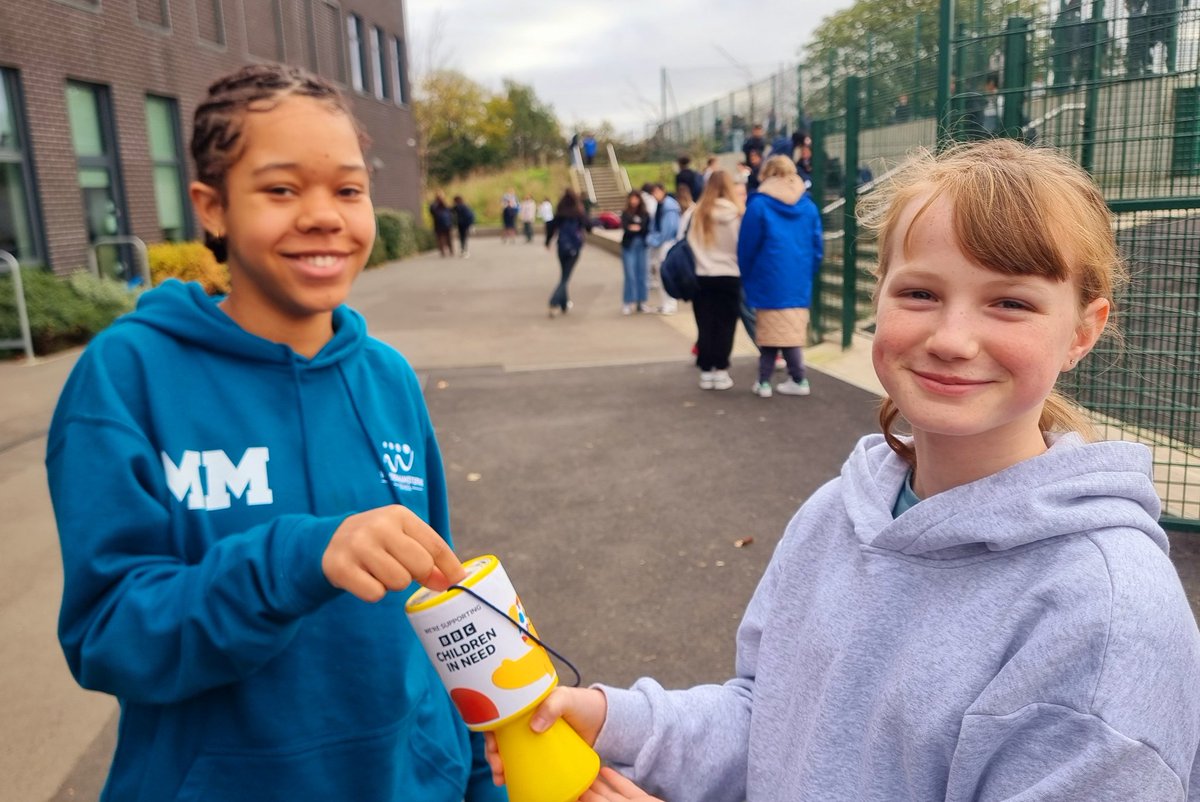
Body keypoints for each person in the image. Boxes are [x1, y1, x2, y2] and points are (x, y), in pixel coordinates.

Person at [487, 139, 1200, 801]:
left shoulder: (1106, 622)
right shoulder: (840, 512)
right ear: (879, 294)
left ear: (1083, 329)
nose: (951, 339)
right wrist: (617, 721)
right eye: (920, 293)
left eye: (1009, 302)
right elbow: (768, 717)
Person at [46, 63, 505, 802]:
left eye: (348, 189)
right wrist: (292, 559)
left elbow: (443, 599)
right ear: (212, 208)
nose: (325, 215)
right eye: (282, 189)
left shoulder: (387, 378)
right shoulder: (126, 377)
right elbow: (110, 637)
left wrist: (483, 775)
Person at [738, 155, 823, 398]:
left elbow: (746, 247)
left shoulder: (758, 205)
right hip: (798, 279)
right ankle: (797, 378)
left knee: (768, 333)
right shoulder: (809, 206)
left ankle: (765, 382)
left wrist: (748, 275)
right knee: (792, 332)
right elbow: (817, 247)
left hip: (767, 279)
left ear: (766, 174)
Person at [687, 170, 744, 391]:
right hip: (730, 274)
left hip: (702, 275)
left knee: (705, 324)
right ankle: (721, 370)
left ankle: (705, 370)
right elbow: (742, 245)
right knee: (726, 324)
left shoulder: (698, 213)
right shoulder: (738, 214)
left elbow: (689, 243)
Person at [544, 188, 592, 317]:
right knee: (565, 278)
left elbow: (551, 228)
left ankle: (564, 304)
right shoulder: (578, 212)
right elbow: (589, 226)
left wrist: (547, 242)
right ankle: (554, 301)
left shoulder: (560, 213)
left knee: (563, 274)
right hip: (574, 248)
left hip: (561, 247)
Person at [645, 183, 681, 315]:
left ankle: (670, 304)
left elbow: (668, 229)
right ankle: (666, 303)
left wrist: (655, 239)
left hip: (666, 243)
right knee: (660, 275)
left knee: (665, 274)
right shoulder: (663, 205)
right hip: (661, 242)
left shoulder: (669, 207)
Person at [619, 190, 650, 315]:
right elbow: (626, 227)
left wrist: (636, 227)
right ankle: (628, 301)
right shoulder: (626, 213)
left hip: (641, 246)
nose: (634, 201)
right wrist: (634, 228)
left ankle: (641, 301)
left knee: (642, 273)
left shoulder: (644, 213)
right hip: (629, 246)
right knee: (630, 274)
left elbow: (645, 228)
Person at [430, 191, 454, 256]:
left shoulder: (433, 205)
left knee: (440, 238)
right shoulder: (445, 204)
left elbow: (432, 213)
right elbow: (451, 213)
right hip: (446, 225)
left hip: (439, 225)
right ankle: (450, 251)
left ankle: (443, 251)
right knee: (447, 238)